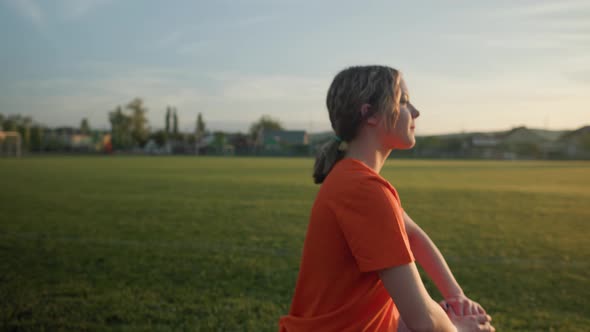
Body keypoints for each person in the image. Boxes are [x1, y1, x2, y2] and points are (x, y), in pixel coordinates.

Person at [278, 65, 495, 332]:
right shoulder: (363, 189)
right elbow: (423, 322)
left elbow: (414, 237)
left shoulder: (353, 177)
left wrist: (456, 297)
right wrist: (463, 330)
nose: (415, 112)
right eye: (403, 101)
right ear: (369, 114)